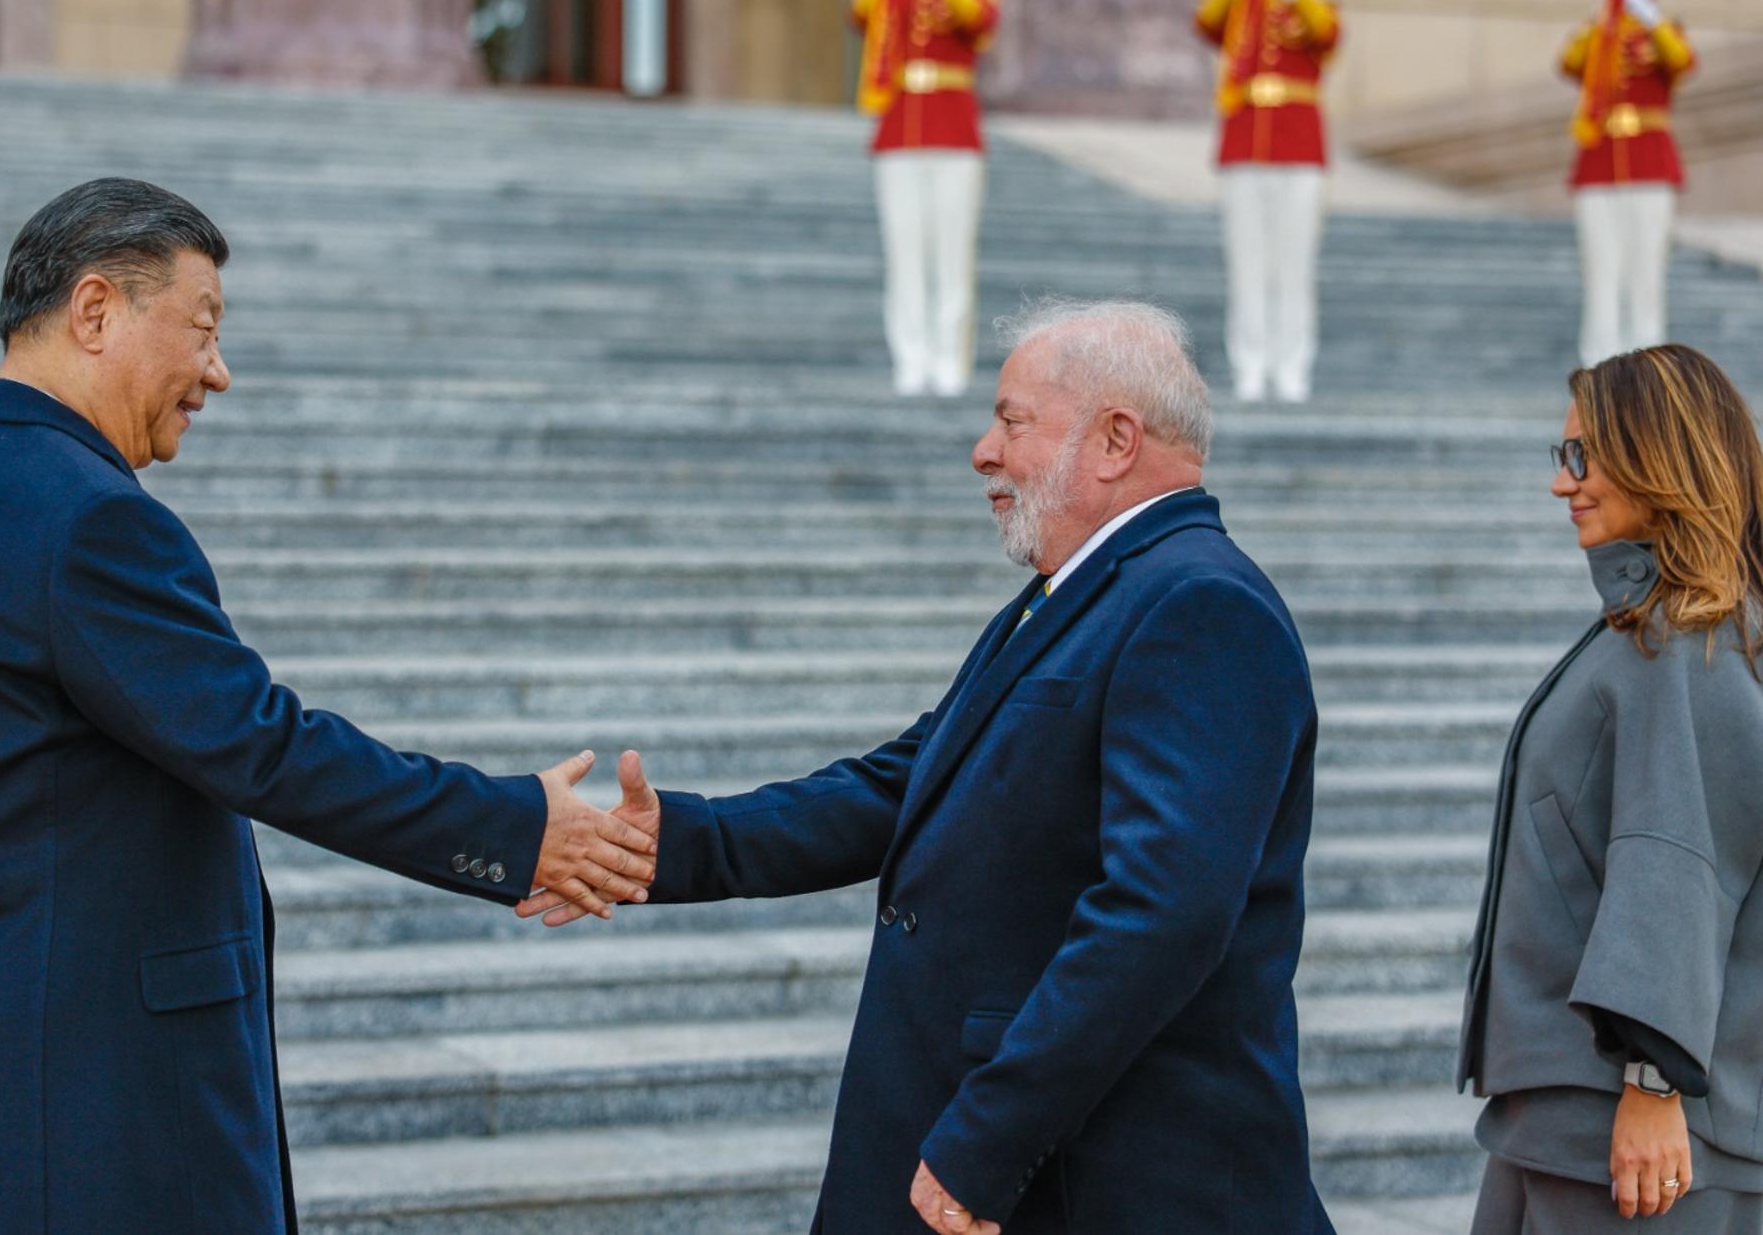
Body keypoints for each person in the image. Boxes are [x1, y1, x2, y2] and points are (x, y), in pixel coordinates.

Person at [0, 178, 657, 1232]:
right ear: (94, 312)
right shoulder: (87, 520)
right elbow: (262, 746)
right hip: (81, 1130)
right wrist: (517, 829)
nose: (217, 371)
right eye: (202, 330)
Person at [525, 299, 1334, 1235]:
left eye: (1013, 420)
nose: (984, 450)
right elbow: (901, 783)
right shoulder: (1084, 593)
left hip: (1095, 1178)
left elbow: (1162, 912)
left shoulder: (1197, 603)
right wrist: (675, 841)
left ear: (1116, 439)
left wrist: (992, 1133)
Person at [1458, 345, 1763, 1232]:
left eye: (1584, 456)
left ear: (1656, 458)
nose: (1565, 484)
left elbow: (1677, 865)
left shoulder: (1685, 641)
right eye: (1566, 458)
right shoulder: (1658, 627)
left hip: (1633, 1137)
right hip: (1567, 1117)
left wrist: (1651, 1083)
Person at [852, 0, 1001, 398]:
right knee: (905, 253)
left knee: (952, 252)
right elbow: (860, 12)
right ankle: (910, 359)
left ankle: (949, 359)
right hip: (899, 130)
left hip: (954, 132)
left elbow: (976, 22)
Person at [1193, 0, 1340, 404]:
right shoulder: (1244, 7)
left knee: (1293, 264)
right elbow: (1207, 22)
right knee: (1247, 262)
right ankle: (1250, 366)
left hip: (1298, 147)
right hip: (1244, 143)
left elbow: (1326, 34)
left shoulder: (1315, 3)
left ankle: (1291, 365)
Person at [1562, 0, 1697, 366]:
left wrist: (1649, 17)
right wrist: (1600, 15)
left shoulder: (1663, 31)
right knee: (1601, 274)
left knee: (1645, 274)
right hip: (1599, 163)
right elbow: (1568, 62)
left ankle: (1647, 368)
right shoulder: (1599, 36)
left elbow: (1683, 62)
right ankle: (1597, 365)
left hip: (1650, 161)